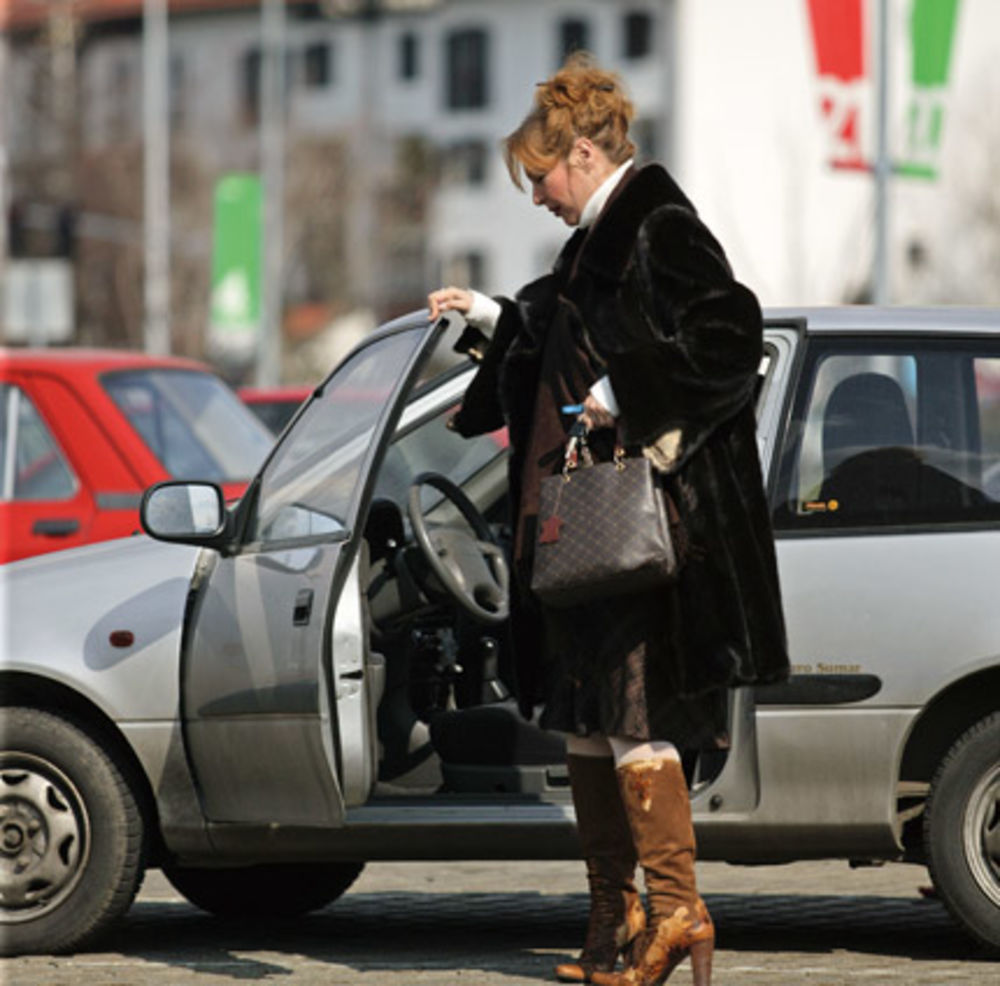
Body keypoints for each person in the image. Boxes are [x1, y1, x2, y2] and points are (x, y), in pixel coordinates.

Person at [428, 53, 788, 986]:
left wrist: (627, 390)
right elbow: (557, 339)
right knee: (588, 723)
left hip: (651, 534)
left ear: (583, 153)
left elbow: (729, 337)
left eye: (540, 177)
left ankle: (677, 914)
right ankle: (616, 911)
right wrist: (486, 314)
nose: (536, 196)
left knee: (637, 719)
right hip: (583, 533)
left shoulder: (657, 225)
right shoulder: (591, 242)